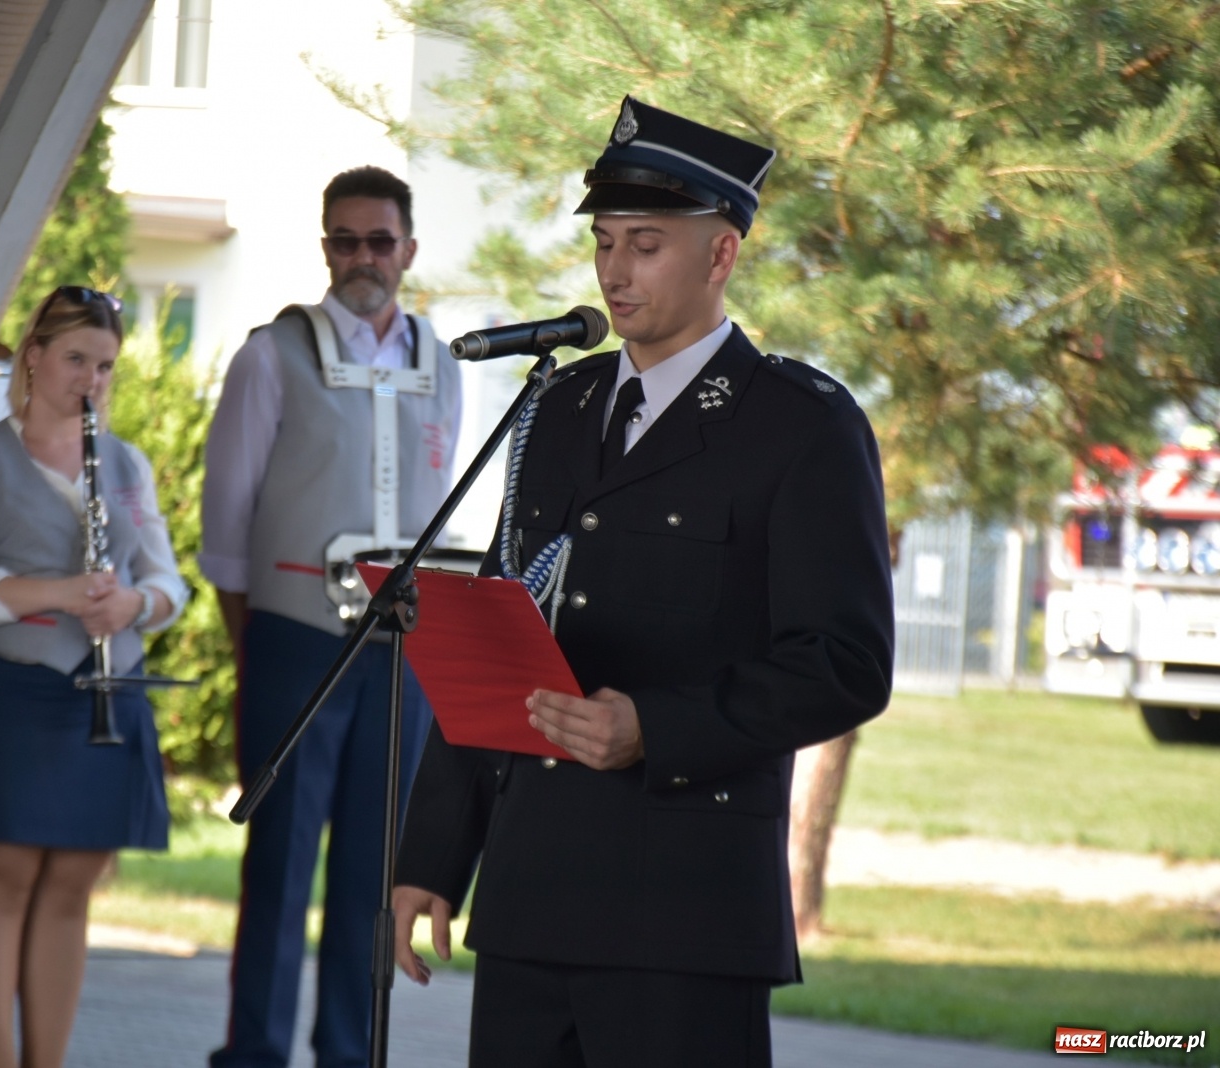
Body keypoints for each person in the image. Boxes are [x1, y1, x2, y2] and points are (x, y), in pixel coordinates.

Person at [392, 97, 896, 1067]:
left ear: (720, 256)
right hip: (532, 898)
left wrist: (654, 728)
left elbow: (843, 664)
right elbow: (500, 638)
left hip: (684, 911)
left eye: (647, 245)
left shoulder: (797, 426)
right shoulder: (560, 404)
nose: (615, 271)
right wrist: (433, 855)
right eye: (606, 241)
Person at [202, 166, 462, 1068]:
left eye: (379, 241)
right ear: (325, 248)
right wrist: (256, 637)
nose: (363, 258)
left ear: (409, 251)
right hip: (294, 638)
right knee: (277, 860)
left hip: (404, 653)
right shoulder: (271, 354)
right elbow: (225, 524)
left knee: (376, 870)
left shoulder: (444, 363)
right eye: (345, 241)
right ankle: (255, 1053)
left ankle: (349, 1052)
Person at [0, 285, 188, 1068]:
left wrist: (136, 601)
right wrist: (54, 594)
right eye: (76, 359)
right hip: (19, 689)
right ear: (33, 356)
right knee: (0, 876)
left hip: (109, 692)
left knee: (74, 884)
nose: (91, 380)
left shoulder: (127, 461)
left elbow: (171, 584)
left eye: (105, 366)